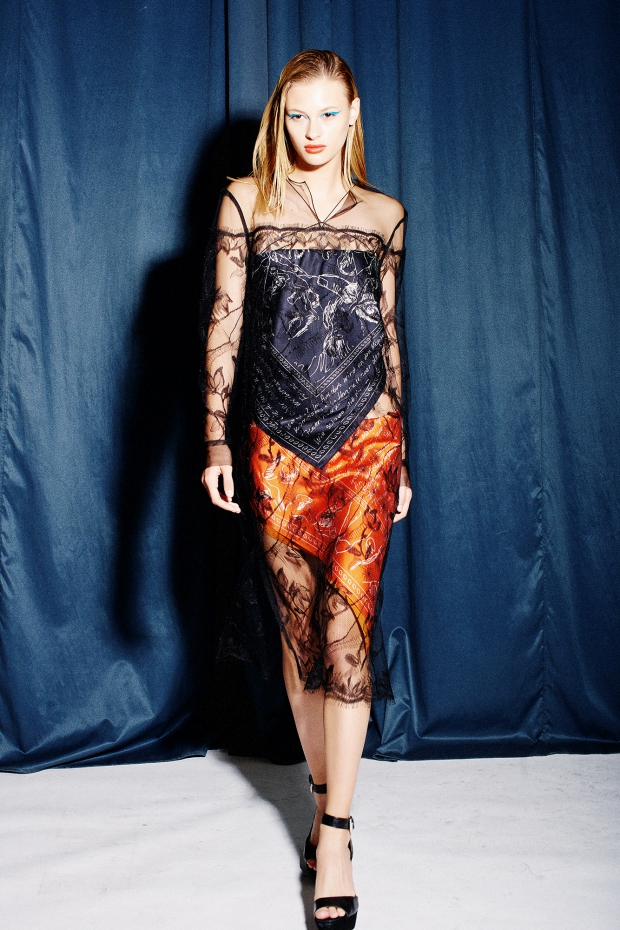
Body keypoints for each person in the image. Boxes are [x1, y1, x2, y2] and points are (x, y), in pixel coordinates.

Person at [201, 49, 411, 930]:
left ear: (353, 115)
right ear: (278, 118)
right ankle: (326, 798)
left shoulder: (385, 216)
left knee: (347, 634)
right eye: (298, 114)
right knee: (300, 647)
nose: (313, 131)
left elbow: (388, 336)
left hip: (368, 444)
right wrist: (216, 438)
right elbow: (224, 324)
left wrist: (405, 456)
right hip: (277, 448)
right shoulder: (245, 202)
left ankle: (336, 835)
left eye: (329, 114)